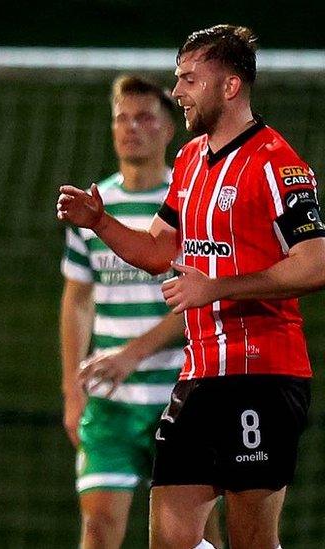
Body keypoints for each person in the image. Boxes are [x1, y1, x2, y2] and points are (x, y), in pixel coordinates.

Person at [57, 25, 324, 549]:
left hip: (263, 375)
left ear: (229, 87)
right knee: (172, 537)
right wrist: (100, 223)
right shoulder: (189, 160)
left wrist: (217, 288)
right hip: (200, 376)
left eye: (188, 80)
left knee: (250, 540)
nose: (177, 91)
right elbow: (159, 252)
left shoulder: (277, 163)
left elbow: (315, 264)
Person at [60, 75, 223, 548]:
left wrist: (132, 353)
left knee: (194, 533)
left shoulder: (192, 200)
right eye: (122, 119)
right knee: (98, 526)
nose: (131, 128)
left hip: (182, 390)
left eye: (145, 117)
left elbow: (201, 295)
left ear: (169, 129)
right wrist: (72, 389)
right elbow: (77, 299)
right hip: (110, 398)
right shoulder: (94, 205)